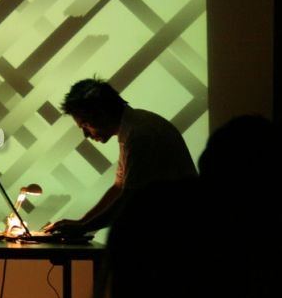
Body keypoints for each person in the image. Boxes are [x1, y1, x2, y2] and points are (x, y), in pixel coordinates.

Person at [43, 78, 197, 235]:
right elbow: (119, 188)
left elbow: (129, 199)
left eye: (85, 124)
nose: (86, 134)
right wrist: (82, 223)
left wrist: (83, 227)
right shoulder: (134, 128)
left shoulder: (139, 135)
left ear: (101, 113)